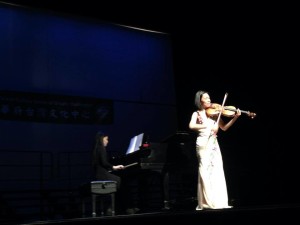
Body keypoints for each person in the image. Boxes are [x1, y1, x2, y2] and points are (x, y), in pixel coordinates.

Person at [188, 90, 241, 210]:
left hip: (213, 143)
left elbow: (224, 128)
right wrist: (207, 125)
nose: (209, 100)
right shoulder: (196, 113)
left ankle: (218, 201)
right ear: (200, 100)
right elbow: (191, 126)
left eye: (209, 98)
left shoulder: (214, 114)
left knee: (216, 170)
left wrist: (235, 117)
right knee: (204, 171)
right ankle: (207, 202)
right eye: (206, 98)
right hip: (202, 143)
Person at [91, 131, 138, 215]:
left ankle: (120, 207)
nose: (107, 141)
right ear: (102, 139)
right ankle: (122, 206)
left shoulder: (96, 148)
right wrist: (114, 167)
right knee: (120, 181)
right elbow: (104, 163)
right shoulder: (101, 148)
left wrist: (112, 168)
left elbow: (102, 164)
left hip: (100, 174)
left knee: (120, 182)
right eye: (106, 139)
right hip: (103, 175)